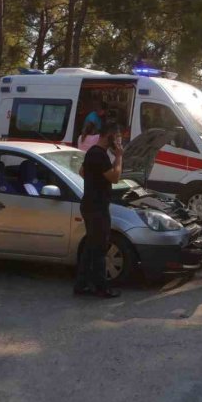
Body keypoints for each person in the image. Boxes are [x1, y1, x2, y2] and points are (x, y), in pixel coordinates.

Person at [73, 122, 124, 298]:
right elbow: (115, 177)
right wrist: (118, 157)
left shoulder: (92, 153)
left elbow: (82, 171)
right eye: (116, 137)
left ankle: (82, 285)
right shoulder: (100, 155)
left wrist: (96, 179)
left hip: (90, 204)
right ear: (108, 135)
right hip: (97, 207)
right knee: (100, 247)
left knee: (90, 247)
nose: (118, 141)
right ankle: (101, 288)